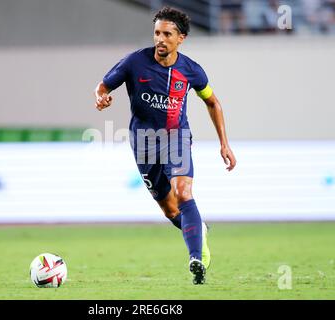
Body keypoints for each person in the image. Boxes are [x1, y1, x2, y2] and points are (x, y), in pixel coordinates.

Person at [94, 7, 236, 285]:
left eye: (167, 34)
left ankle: (197, 257)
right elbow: (102, 86)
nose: (160, 39)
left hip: (177, 138)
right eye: (157, 33)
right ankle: (199, 232)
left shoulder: (192, 70)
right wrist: (101, 97)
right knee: (171, 210)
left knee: (183, 193)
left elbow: (212, 102)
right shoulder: (134, 62)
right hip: (143, 143)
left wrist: (224, 144)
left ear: (180, 38)